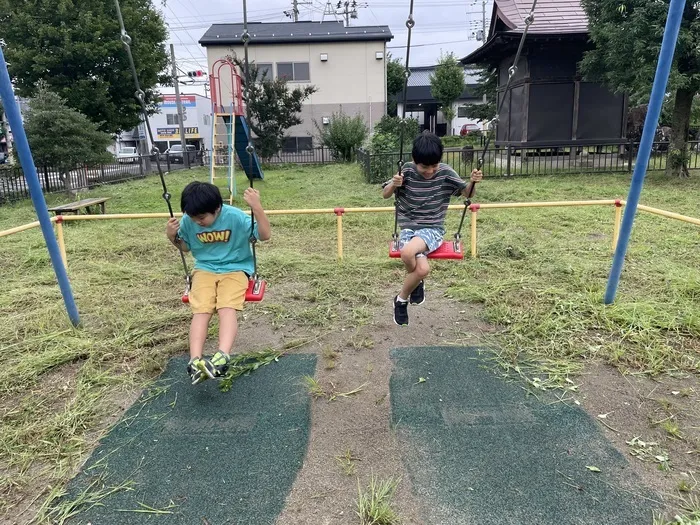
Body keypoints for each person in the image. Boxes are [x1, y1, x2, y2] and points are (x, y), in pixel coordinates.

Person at [166, 181, 271, 384]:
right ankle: (195, 360)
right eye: (193, 218)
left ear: (217, 209)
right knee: (201, 310)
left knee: (226, 307)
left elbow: (265, 235)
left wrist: (256, 206)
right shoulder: (189, 220)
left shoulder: (235, 217)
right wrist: (172, 237)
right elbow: (186, 248)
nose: (198, 222)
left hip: (236, 268)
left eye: (202, 218)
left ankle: (222, 356)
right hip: (204, 268)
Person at [382, 131, 482, 326]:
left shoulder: (445, 172)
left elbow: (467, 193)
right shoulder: (407, 172)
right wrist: (394, 185)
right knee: (422, 269)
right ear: (414, 160)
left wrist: (473, 181)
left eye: (434, 166)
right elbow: (385, 194)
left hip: (432, 228)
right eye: (424, 167)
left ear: (440, 161)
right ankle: (416, 282)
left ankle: (401, 299)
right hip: (409, 229)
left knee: (407, 252)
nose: (429, 171)